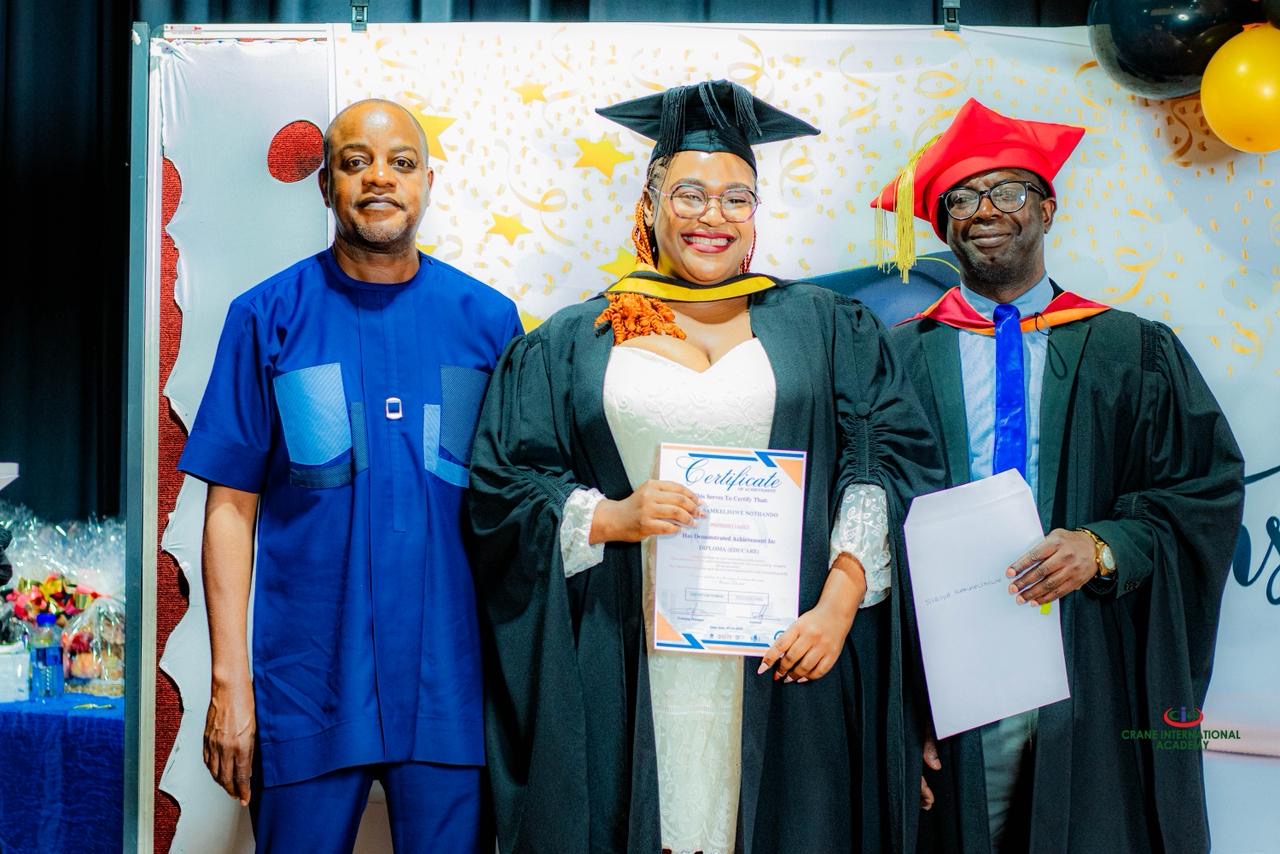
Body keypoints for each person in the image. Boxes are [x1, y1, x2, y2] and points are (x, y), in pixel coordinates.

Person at [468, 79, 942, 853]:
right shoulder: (575, 339)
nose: (712, 216)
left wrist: (839, 604)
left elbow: (886, 459)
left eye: (736, 198)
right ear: (650, 204)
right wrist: (607, 517)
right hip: (627, 651)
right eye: (689, 194)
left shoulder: (826, 327)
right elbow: (505, 485)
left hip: (788, 656)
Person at [873, 98, 1245, 853]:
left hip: (1088, 653)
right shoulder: (897, 359)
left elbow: (1203, 489)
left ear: (1047, 208)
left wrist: (1104, 546)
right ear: (942, 227)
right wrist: (894, 710)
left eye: (1007, 191)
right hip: (945, 669)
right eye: (961, 199)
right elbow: (858, 524)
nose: (985, 211)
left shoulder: (1130, 349)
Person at [179, 99, 522, 853]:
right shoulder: (267, 317)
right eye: (355, 162)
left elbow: (515, 510)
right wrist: (229, 680)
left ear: (428, 181)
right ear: (326, 184)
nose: (379, 179)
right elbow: (230, 507)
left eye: (401, 163)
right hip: (308, 683)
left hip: (450, 686)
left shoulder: (489, 322)